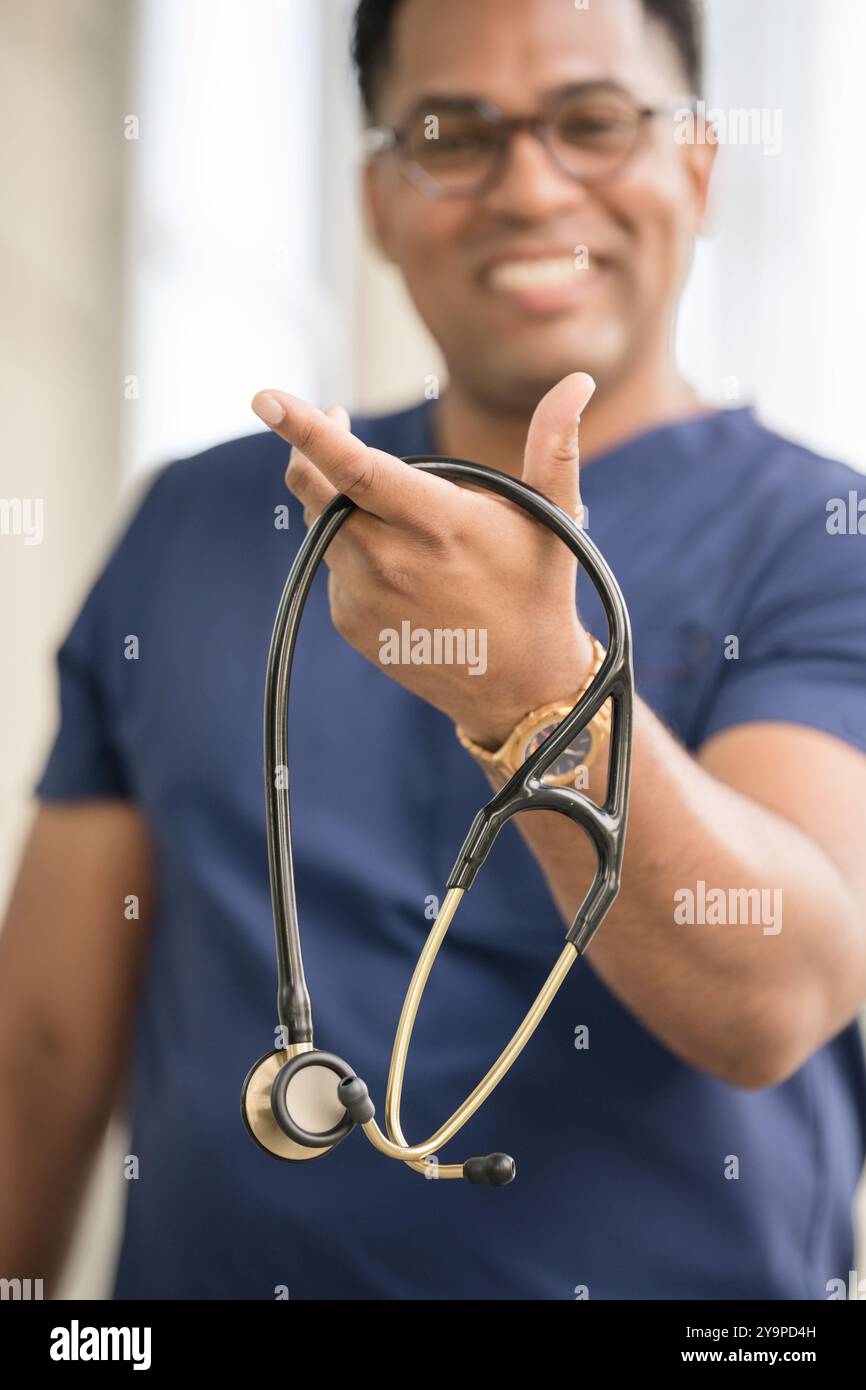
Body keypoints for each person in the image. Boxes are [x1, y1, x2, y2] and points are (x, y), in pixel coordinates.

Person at [2, 0, 865, 1301]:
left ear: (694, 165)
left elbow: (771, 999)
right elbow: (43, 1047)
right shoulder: (198, 525)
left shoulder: (821, 540)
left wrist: (538, 689)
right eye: (453, 132)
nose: (527, 185)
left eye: (590, 122)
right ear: (380, 199)